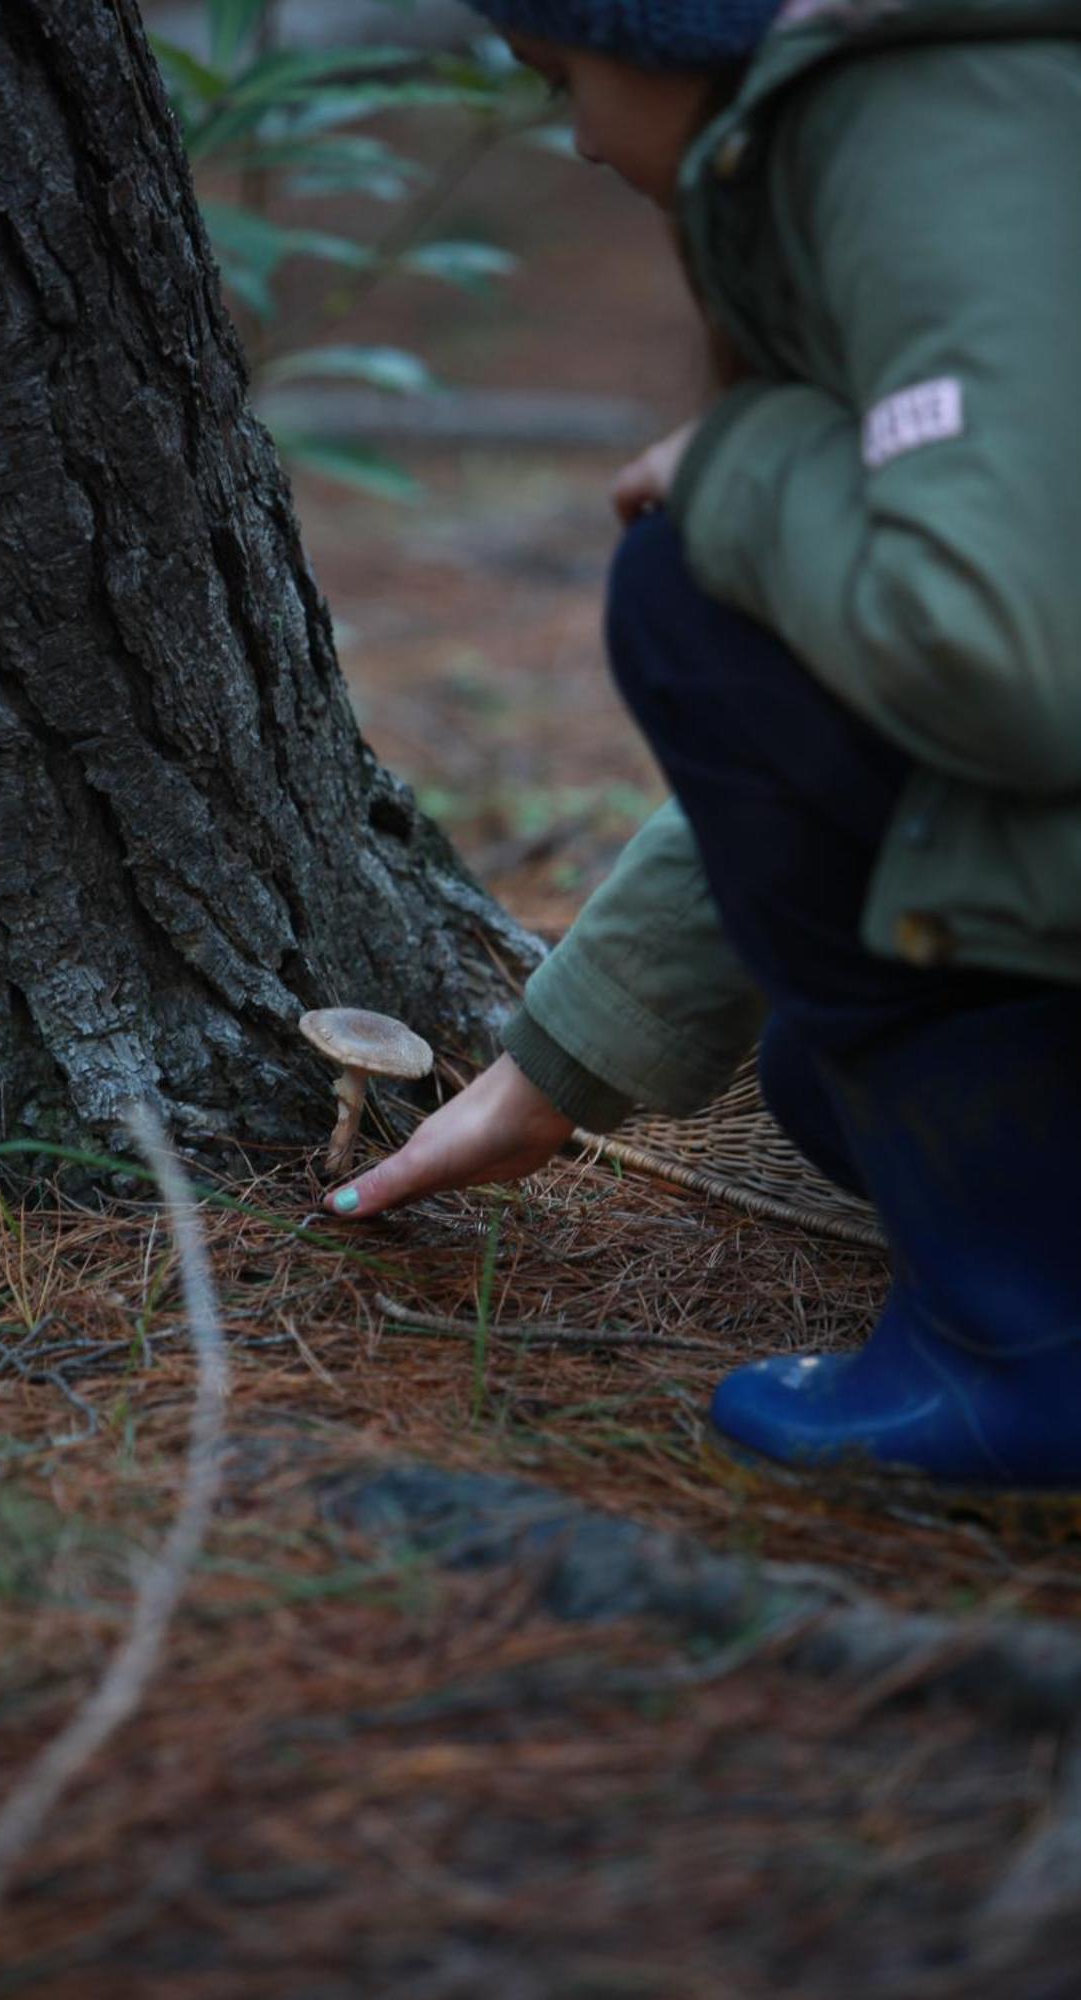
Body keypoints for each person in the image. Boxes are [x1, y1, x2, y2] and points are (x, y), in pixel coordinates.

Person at [326, 0, 1081, 1491]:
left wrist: (743, 460)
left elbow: (998, 659)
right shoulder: (935, 101)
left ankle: (1030, 1367)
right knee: (818, 1075)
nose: (579, 141)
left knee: (683, 596)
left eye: (561, 79)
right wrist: (557, 1066)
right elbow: (857, 712)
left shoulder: (926, 135)